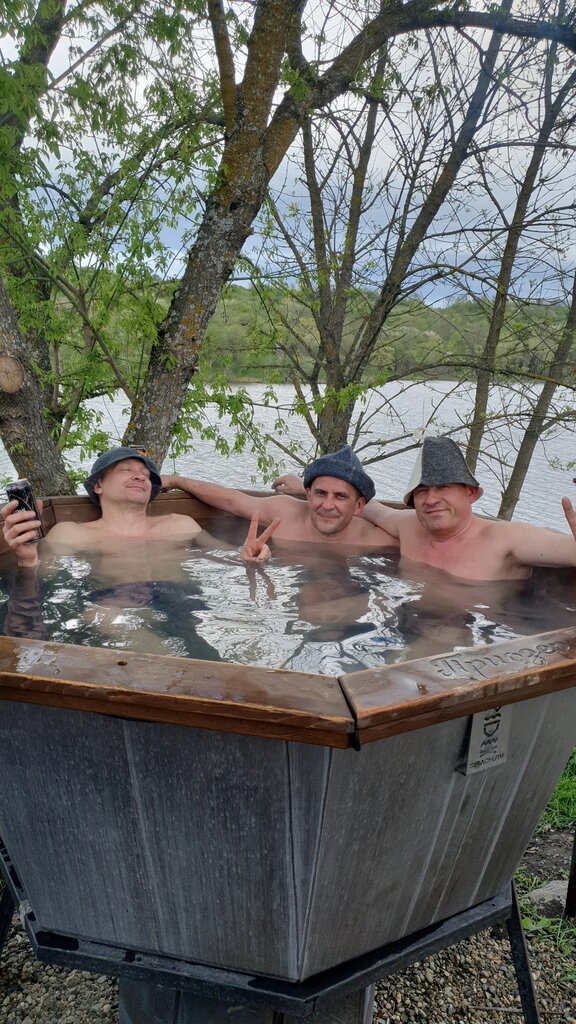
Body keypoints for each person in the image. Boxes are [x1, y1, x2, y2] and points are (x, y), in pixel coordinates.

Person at [273, 435, 576, 581]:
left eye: (443, 487)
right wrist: (307, 488)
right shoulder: (409, 527)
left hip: (477, 637)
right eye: (422, 491)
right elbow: (370, 508)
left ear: (470, 493)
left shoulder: (506, 539)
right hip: (409, 624)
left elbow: (562, 549)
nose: (431, 499)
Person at [2, 447, 275, 569]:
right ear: (98, 486)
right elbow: (46, 578)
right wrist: (27, 559)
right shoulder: (71, 534)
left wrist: (250, 556)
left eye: (146, 475)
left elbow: (227, 557)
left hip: (181, 604)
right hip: (111, 605)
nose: (140, 476)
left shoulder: (181, 525)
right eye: (126, 470)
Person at [160, 445, 398, 553]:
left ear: (359, 505)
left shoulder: (377, 539)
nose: (327, 505)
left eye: (340, 496)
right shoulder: (284, 514)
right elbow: (231, 500)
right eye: (320, 493)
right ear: (308, 494)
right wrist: (177, 481)